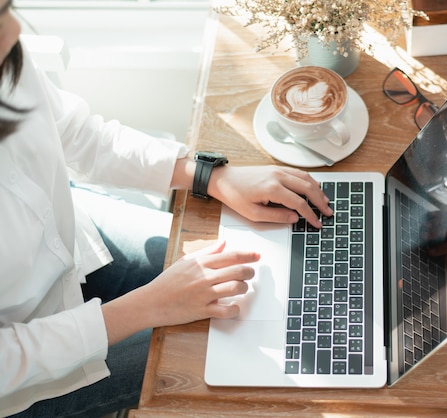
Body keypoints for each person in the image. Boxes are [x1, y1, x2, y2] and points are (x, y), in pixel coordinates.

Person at [0, 1, 333, 416]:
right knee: (228, 349)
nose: (13, 27)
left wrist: (210, 177)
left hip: (73, 241)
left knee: (263, 275)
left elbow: (76, 134)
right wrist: (150, 305)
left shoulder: (6, 50)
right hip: (23, 374)